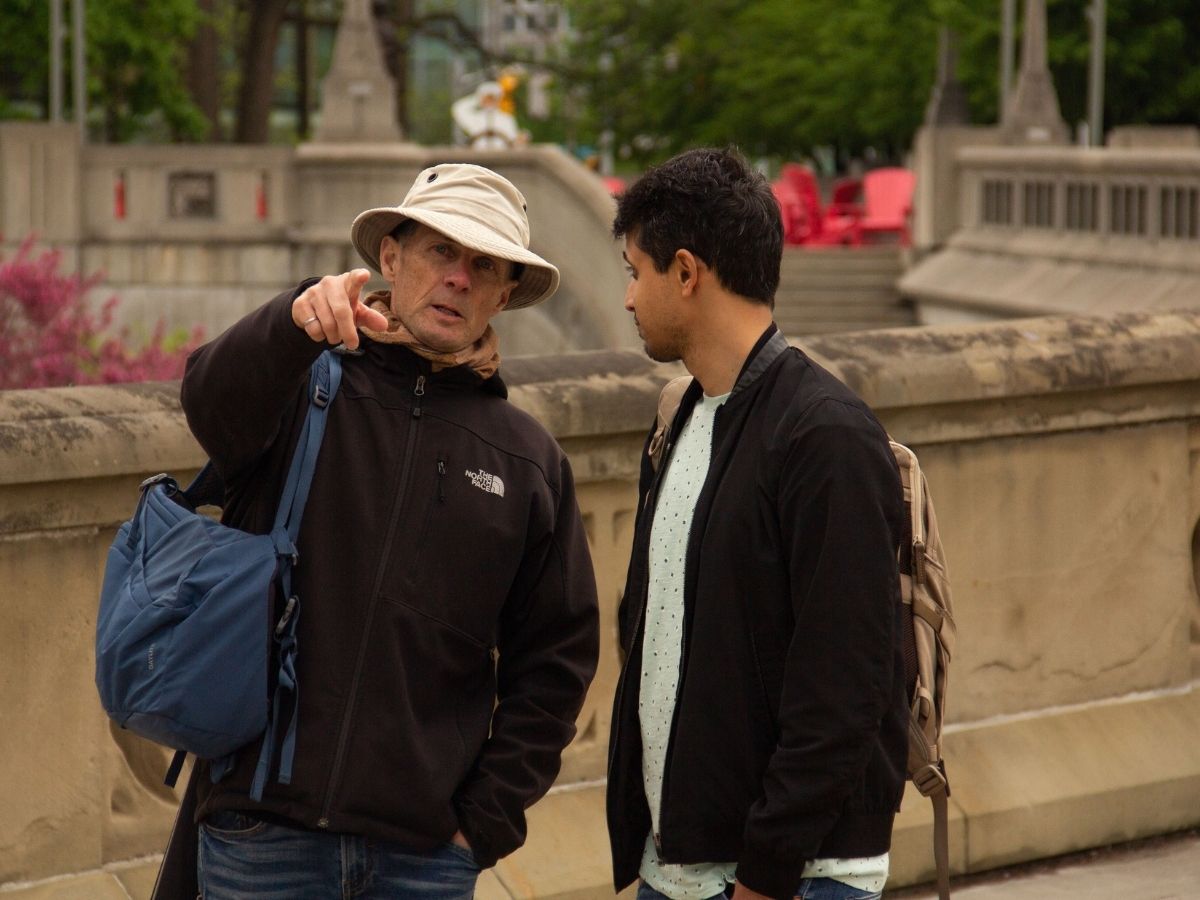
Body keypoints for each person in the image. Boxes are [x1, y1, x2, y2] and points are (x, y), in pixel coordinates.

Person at [177, 163, 600, 899]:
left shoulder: (527, 459)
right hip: (262, 840)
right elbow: (209, 404)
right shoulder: (303, 382)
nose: (459, 277)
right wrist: (289, 323)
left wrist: (481, 825)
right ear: (392, 259)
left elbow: (557, 663)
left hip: (424, 861)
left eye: (484, 265)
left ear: (504, 294)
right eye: (442, 251)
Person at [605, 148, 908, 900]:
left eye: (634, 271)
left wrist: (765, 875)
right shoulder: (681, 416)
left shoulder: (826, 434)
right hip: (675, 868)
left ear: (685, 272)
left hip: (791, 879)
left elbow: (846, 685)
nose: (627, 298)